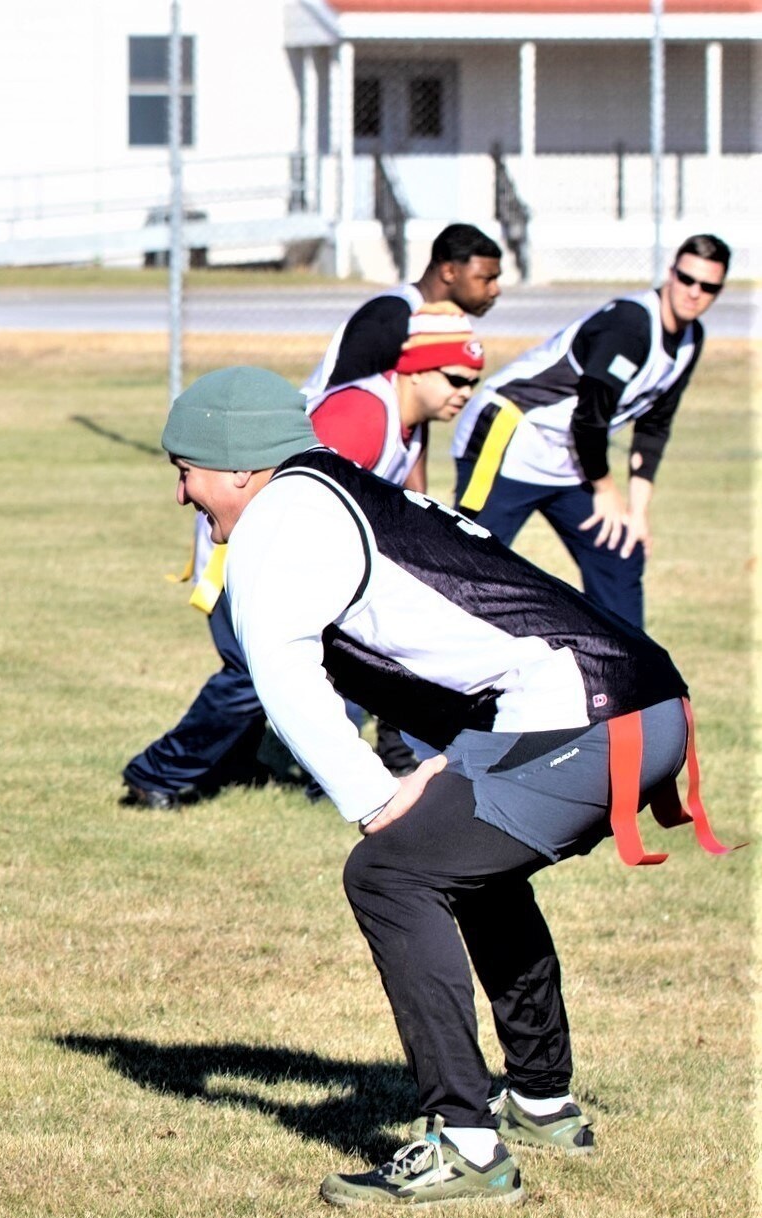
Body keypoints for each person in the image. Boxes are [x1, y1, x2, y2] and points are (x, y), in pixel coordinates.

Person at [160, 366, 731, 1208]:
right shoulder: (337, 487)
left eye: (186, 468)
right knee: (464, 864)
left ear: (240, 466)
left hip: (593, 716)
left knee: (391, 871)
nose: (181, 493)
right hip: (633, 703)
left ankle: (466, 1146)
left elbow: (281, 675)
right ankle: (538, 1102)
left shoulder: (280, 520)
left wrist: (369, 798)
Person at [119, 309, 484, 810]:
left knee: (345, 660)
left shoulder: (410, 425)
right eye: (456, 378)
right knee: (255, 675)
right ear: (416, 370)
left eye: (474, 382)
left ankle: (310, 773)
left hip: (300, 561)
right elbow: (294, 497)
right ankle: (155, 773)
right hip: (248, 550)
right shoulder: (361, 416)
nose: (466, 392)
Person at [449, 234, 729, 630]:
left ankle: (631, 682)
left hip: (571, 455)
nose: (695, 293)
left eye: (709, 287)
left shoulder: (689, 340)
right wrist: (607, 491)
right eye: (687, 279)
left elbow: (654, 425)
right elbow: (590, 418)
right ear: (670, 274)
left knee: (621, 550)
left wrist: (637, 512)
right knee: (467, 563)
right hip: (510, 434)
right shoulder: (631, 325)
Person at [301, 221, 501, 405]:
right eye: (486, 279)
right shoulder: (393, 316)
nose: (495, 290)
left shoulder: (437, 320)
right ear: (449, 271)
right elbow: (339, 399)